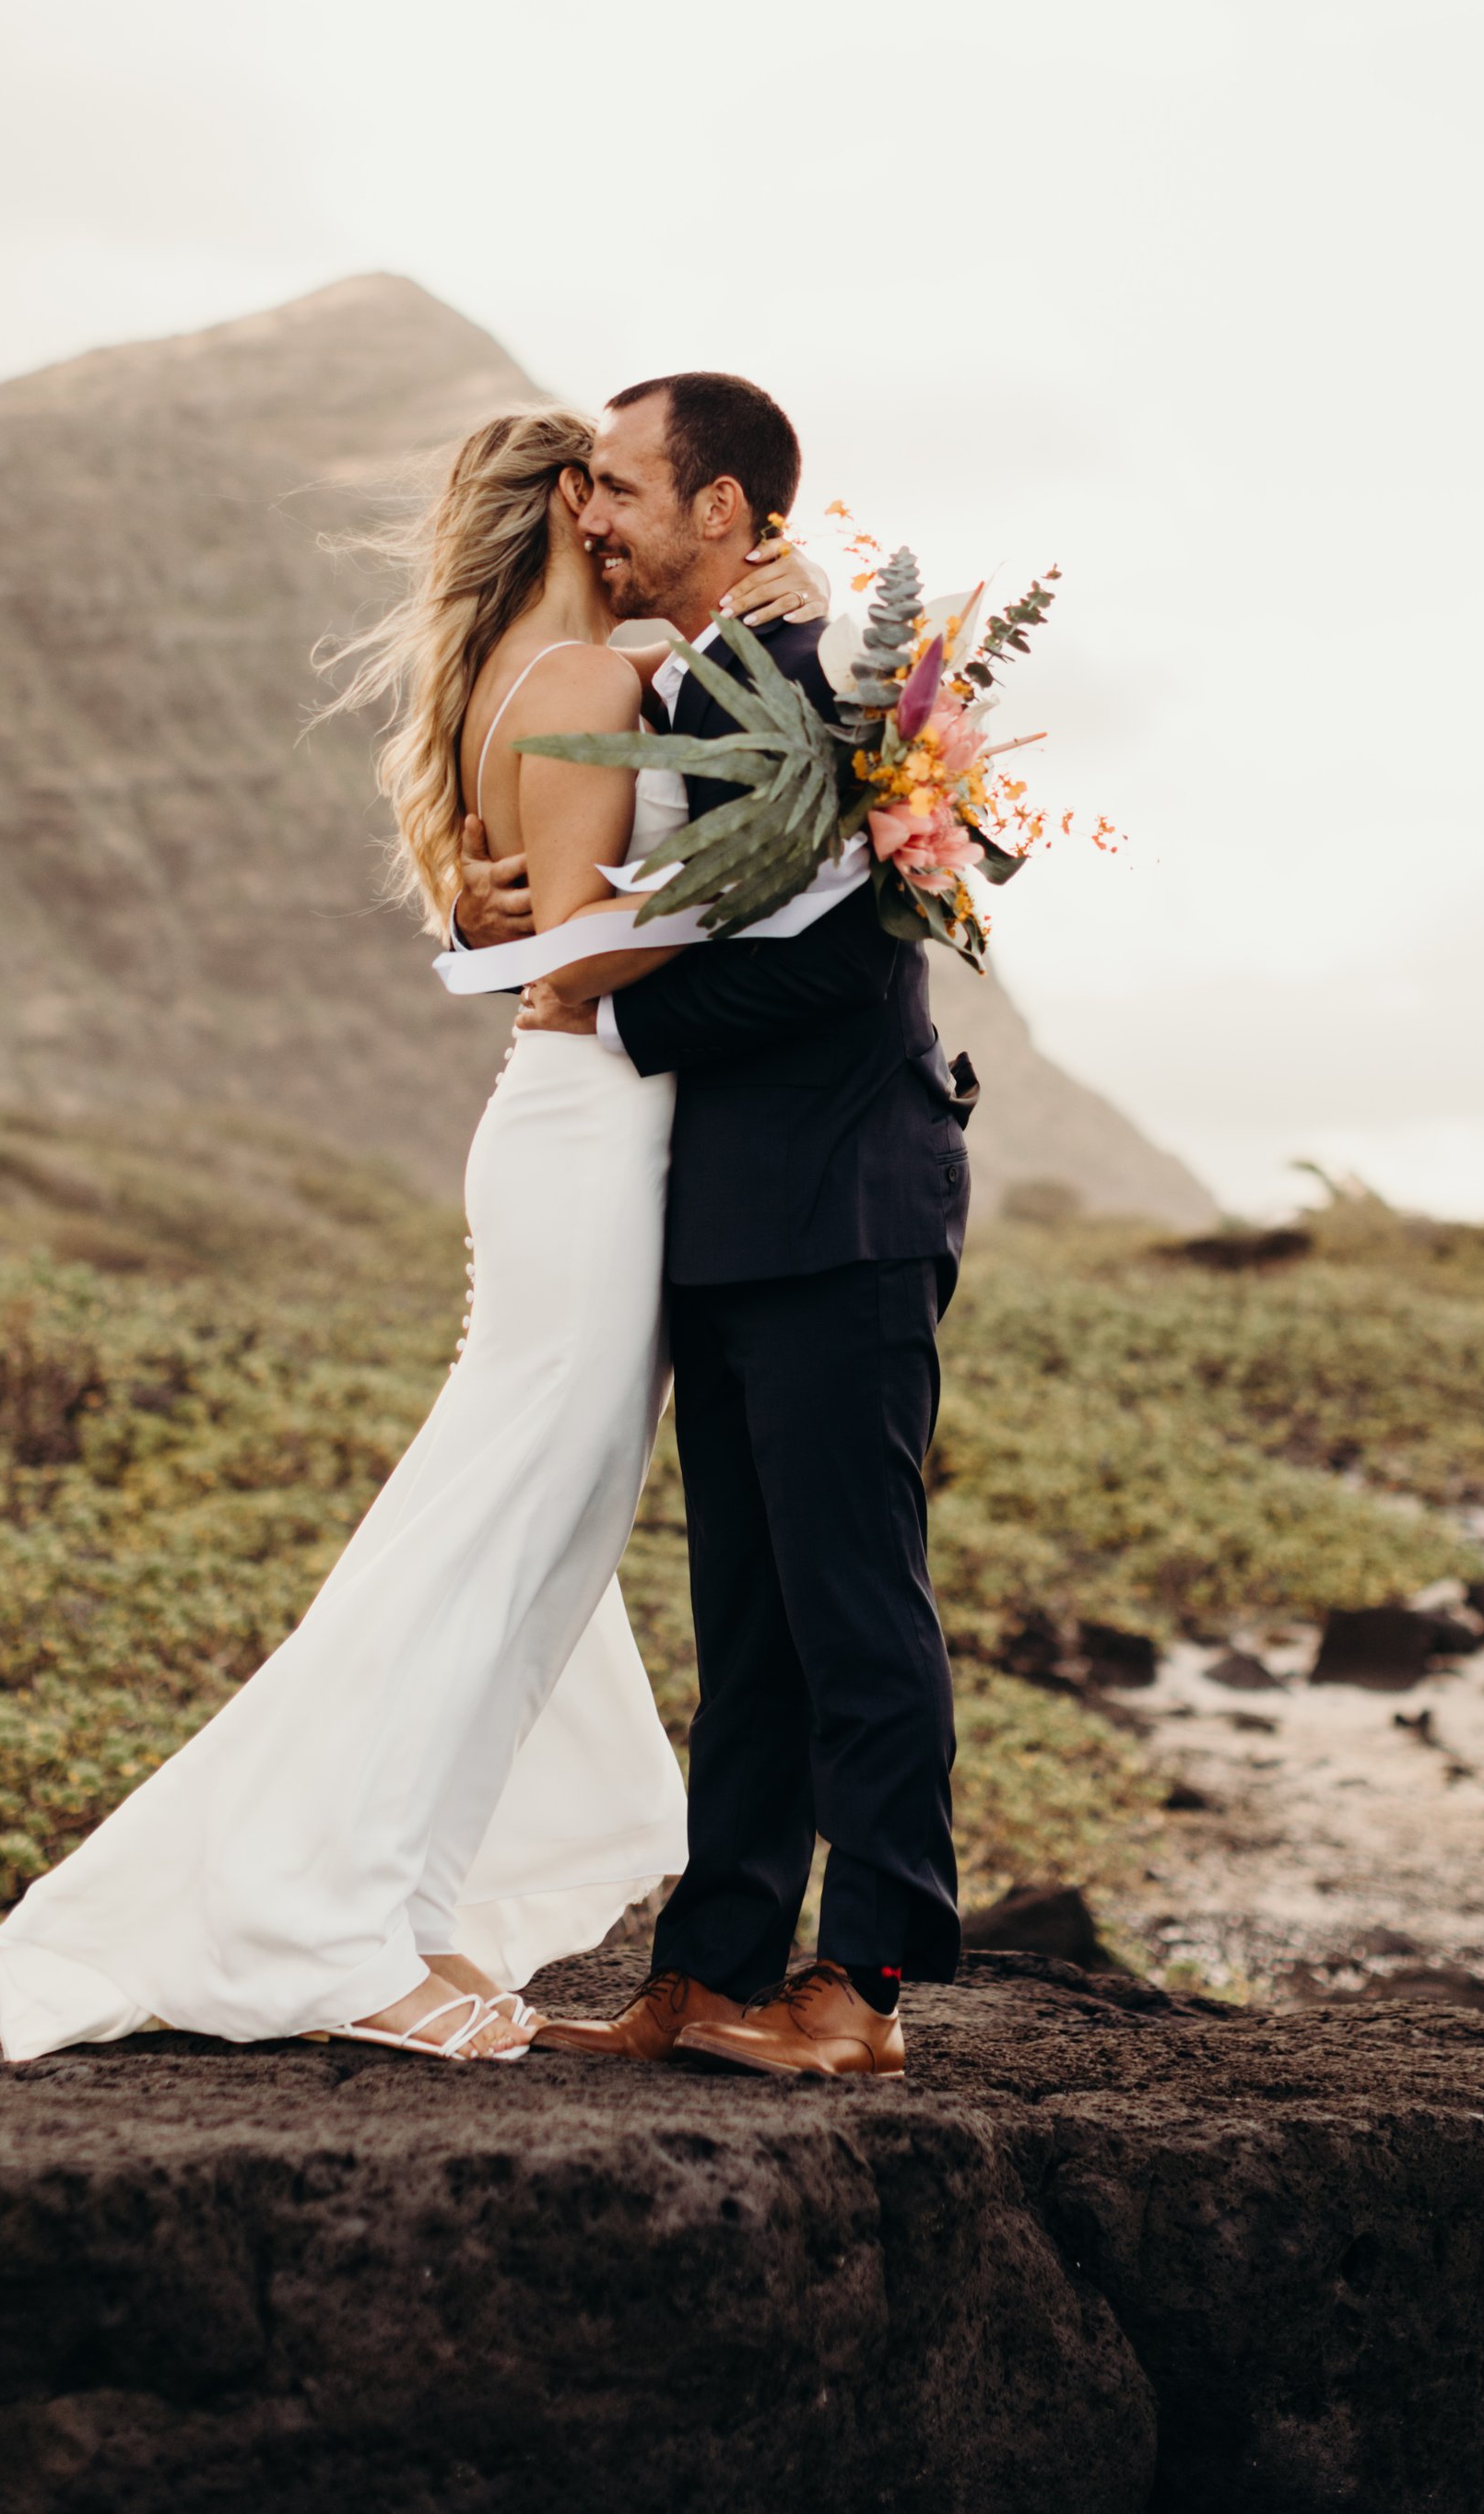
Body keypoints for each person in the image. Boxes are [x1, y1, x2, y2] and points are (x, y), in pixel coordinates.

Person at [0, 405, 826, 2066]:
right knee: (498, 1533)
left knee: (537, 1548)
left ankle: (396, 1909)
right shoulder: (584, 687)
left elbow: (541, 902)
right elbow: (574, 960)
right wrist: (764, 866)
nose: (638, 524)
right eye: (619, 492)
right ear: (577, 504)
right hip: (589, 1136)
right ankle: (324, 1922)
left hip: (574, 1136)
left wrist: (764, 634)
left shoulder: (540, 680)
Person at [462, 373, 974, 2083]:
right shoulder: (687, 676)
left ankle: (871, 1977)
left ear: (728, 514)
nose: (591, 513)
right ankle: (709, 1966)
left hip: (843, 1202)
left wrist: (617, 1011)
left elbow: (848, 953)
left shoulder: (812, 677)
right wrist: (528, 908)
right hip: (725, 1211)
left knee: (856, 1612)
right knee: (745, 1620)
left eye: (618, 486)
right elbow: (659, 892)